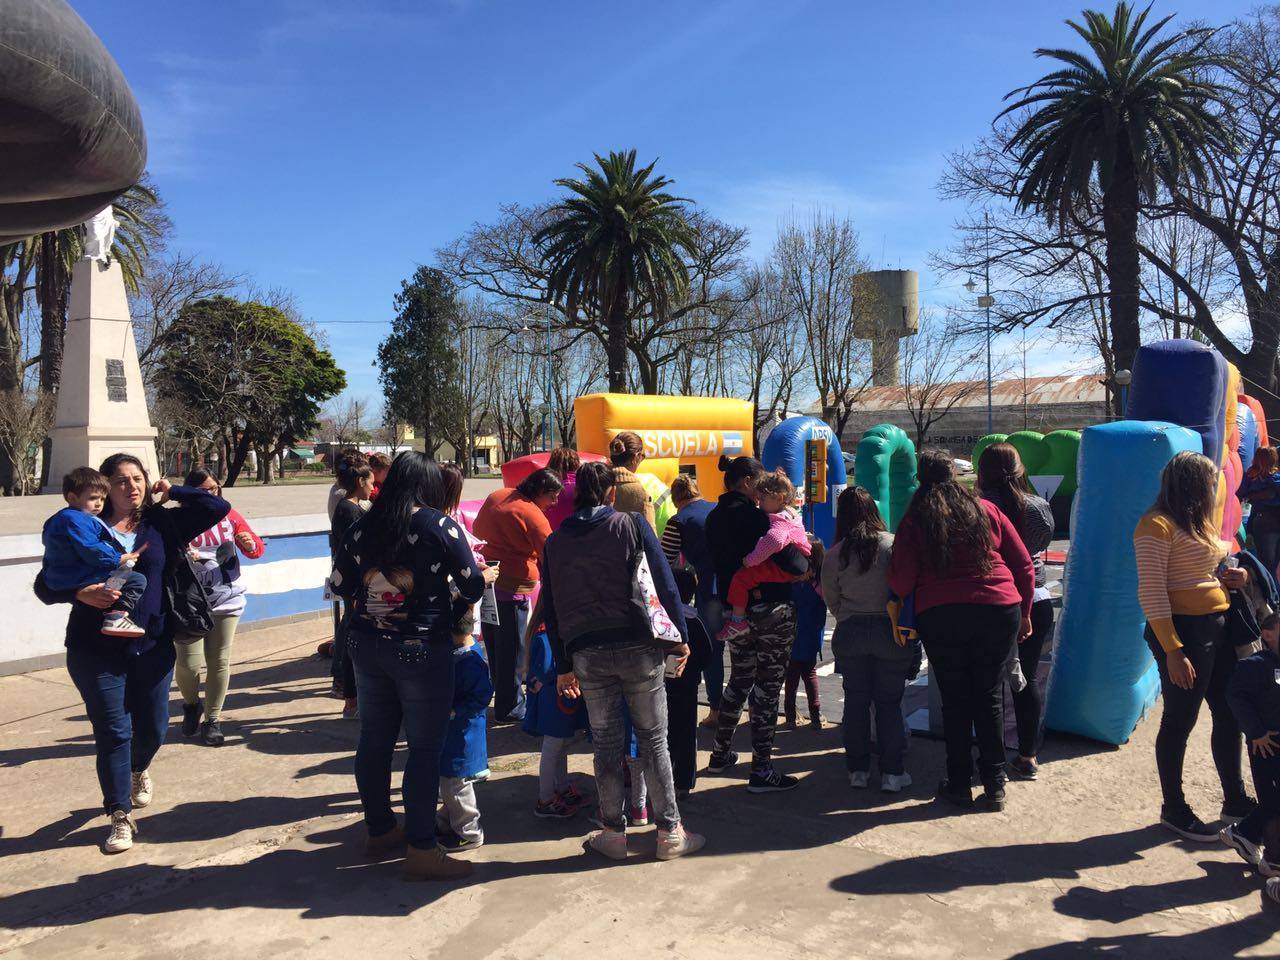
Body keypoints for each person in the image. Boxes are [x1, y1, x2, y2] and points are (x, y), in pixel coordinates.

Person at [34, 454, 229, 854]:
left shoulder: (161, 522)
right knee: (113, 732)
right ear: (105, 486)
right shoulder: (81, 524)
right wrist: (79, 592)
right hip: (94, 649)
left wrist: (174, 490)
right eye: (121, 480)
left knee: (154, 729)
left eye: (138, 478)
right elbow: (44, 583)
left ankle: (138, 769)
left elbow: (216, 507)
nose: (131, 486)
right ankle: (119, 814)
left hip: (152, 645)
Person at [331, 452, 486, 882]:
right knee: (423, 749)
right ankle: (421, 848)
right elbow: (472, 584)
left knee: (375, 740)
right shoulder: (439, 525)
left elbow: (341, 584)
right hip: (421, 649)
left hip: (367, 645)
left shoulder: (363, 525)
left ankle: (380, 830)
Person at [541, 461, 704, 860]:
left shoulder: (556, 542)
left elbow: (553, 606)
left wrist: (563, 664)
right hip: (637, 644)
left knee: (606, 744)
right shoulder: (631, 524)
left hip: (586, 651)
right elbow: (664, 581)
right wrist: (679, 638)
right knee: (653, 739)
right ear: (611, 494)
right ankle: (669, 832)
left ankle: (613, 832)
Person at [888, 450, 1034, 812]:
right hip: (999, 608)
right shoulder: (986, 510)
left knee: (954, 700)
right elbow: (1023, 565)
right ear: (954, 475)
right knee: (989, 696)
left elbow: (901, 579)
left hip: (942, 614)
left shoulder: (916, 519)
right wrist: (1026, 613)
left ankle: (958, 782)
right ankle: (994, 782)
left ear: (920, 479)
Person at [1135, 450, 1254, 841]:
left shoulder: (1197, 522)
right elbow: (1152, 591)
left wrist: (1233, 576)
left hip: (1217, 627)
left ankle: (1234, 799)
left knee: (1230, 713)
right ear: (1192, 483)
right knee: (1180, 720)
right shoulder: (1155, 525)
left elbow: (1201, 571)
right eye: (1209, 482)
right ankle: (1174, 808)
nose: (1214, 488)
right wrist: (1173, 650)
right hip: (1184, 632)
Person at [705, 455, 807, 794]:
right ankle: (761, 768)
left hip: (736, 611)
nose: (762, 493)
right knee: (767, 687)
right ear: (747, 483)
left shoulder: (714, 516)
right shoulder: (757, 518)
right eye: (759, 485)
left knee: (739, 679)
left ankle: (720, 753)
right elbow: (795, 563)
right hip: (771, 610)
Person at [823, 486, 916, 792]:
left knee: (856, 702)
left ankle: (858, 770)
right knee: (889, 703)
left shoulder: (835, 553)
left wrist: (847, 615)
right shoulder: (893, 545)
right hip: (890, 631)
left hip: (851, 630)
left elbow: (831, 598)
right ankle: (892, 772)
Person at [976, 443, 1056, 781]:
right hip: (1036, 597)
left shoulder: (978, 508)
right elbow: (1041, 544)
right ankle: (1028, 754)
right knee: (1027, 678)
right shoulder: (1038, 507)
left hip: (992, 599)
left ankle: (991, 760)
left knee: (989, 684)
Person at [176, 468, 266, 746]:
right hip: (188, 602)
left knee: (219, 662)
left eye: (214, 489)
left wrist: (249, 544)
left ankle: (212, 719)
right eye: (202, 491)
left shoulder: (229, 515)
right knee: (188, 664)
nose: (210, 495)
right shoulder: (177, 518)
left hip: (227, 598)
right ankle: (192, 705)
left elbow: (256, 549)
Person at [473, 468, 562, 722]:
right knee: (513, 651)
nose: (554, 503)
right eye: (552, 497)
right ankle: (510, 706)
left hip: (488, 582)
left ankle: (501, 697)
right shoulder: (532, 514)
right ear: (540, 491)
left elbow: (477, 528)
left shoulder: (497, 496)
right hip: (513, 588)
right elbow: (550, 553)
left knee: (494, 645)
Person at [41, 467, 148, 638]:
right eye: (93, 498)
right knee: (136, 580)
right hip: (88, 629)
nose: (98, 503)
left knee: (128, 579)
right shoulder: (76, 520)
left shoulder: (70, 519)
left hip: (150, 641)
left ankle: (115, 614)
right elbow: (90, 548)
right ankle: (116, 616)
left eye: (102, 498)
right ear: (72, 498)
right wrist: (117, 559)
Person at [718, 469, 811, 642]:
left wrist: (750, 560)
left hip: (782, 569)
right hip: (795, 563)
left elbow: (774, 541)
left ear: (779, 498)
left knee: (740, 579)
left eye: (762, 499)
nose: (759, 504)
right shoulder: (790, 512)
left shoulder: (780, 521)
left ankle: (737, 621)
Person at [662, 475, 724, 728]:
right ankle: (753, 707)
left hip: (710, 589)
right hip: (738, 585)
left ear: (676, 499)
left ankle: (716, 710)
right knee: (745, 651)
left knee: (713, 650)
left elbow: (663, 560)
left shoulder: (678, 521)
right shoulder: (718, 509)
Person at [1223, 612, 1280, 878]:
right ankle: (1271, 858)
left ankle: (1245, 834)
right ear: (1268, 636)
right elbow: (1235, 696)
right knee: (1273, 803)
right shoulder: (1256, 665)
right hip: (1265, 746)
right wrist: (1256, 732)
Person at [521, 599, 589, 818]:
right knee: (552, 748)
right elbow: (546, 670)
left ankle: (561, 787)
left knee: (561, 746)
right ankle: (546, 797)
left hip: (560, 702)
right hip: (555, 703)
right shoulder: (546, 636)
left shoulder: (550, 632)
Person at [435, 628, 494, 852]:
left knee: (455, 784)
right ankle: (447, 820)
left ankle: (469, 833)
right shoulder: (462, 653)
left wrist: (454, 710)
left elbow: (482, 696)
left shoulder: (470, 661)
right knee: (449, 783)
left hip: (463, 735)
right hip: (454, 732)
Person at [330, 458, 374, 717]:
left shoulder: (351, 507)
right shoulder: (350, 511)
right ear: (360, 481)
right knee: (352, 638)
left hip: (355, 581)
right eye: (370, 483)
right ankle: (351, 695)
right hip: (356, 583)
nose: (372, 488)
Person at [667, 567, 712, 795]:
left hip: (663, 687)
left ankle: (663, 782)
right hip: (688, 688)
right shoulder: (694, 620)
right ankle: (684, 783)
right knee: (686, 734)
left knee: (664, 735)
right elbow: (707, 654)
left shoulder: (662, 619)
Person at [784, 536, 826, 729]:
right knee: (810, 674)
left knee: (791, 676)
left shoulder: (791, 583)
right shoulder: (819, 585)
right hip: (811, 636)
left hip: (791, 635)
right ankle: (815, 715)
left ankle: (790, 716)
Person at [1242, 446, 1280, 576]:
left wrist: (1253, 496)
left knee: (1267, 563)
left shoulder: (1254, 476)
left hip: (1264, 520)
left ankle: (1269, 586)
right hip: (1266, 520)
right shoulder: (1272, 477)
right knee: (1271, 563)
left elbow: (1245, 494)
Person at [609, 431, 657, 532]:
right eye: (642, 456)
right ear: (635, 457)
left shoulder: (596, 485)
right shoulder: (641, 493)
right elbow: (650, 536)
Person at [544, 446, 581, 531]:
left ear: (551, 463)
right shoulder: (584, 487)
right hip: (579, 536)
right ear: (577, 464)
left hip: (550, 536)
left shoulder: (542, 491)